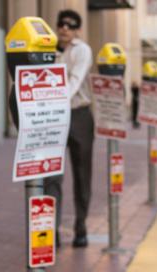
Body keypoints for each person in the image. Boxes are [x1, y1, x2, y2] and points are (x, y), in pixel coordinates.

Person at [45, 9, 94, 248]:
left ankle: (81, 227)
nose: (64, 28)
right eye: (61, 24)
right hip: (53, 116)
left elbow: (75, 80)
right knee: (51, 174)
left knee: (82, 174)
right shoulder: (47, 50)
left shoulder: (82, 50)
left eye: (70, 25)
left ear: (77, 30)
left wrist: (55, 99)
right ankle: (50, 229)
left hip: (79, 114)